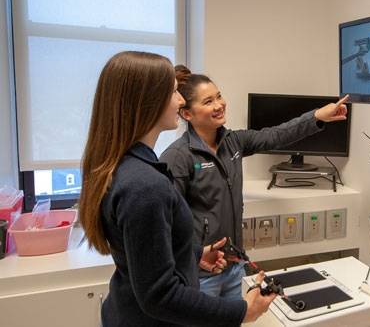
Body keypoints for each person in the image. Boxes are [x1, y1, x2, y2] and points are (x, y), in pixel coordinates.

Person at [78, 51, 275, 327]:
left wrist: (193, 254)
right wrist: (243, 312)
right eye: (173, 92)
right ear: (147, 102)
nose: (181, 101)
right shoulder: (145, 185)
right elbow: (160, 295)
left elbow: (144, 253)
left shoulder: (125, 166)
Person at [159, 65, 348, 299]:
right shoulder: (178, 157)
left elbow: (276, 134)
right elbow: (166, 224)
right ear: (187, 114)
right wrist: (193, 257)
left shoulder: (233, 142)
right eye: (208, 102)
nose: (219, 105)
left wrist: (317, 116)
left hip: (233, 266)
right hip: (201, 274)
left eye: (219, 96)